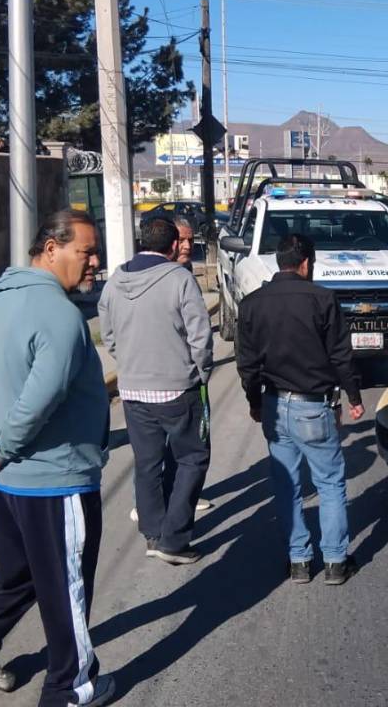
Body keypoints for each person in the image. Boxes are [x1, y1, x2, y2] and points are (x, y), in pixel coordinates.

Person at [0, 209, 115, 707]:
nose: (95, 261)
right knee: (66, 588)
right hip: (52, 481)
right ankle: (71, 688)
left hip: (10, 482)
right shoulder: (59, 314)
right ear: (51, 248)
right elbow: (42, 396)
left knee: (21, 573)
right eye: (87, 251)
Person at [235, 234, 365, 586]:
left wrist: (255, 402)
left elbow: (247, 365)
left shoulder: (252, 304)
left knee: (287, 485)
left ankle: (299, 562)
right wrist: (353, 396)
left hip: (276, 405)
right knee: (329, 483)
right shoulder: (323, 299)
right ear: (306, 263)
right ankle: (336, 561)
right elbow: (341, 356)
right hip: (313, 407)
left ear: (280, 262)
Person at [98, 219, 213, 564]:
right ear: (173, 244)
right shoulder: (180, 279)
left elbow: (108, 334)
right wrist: (201, 371)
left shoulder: (115, 280)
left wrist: (129, 362)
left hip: (133, 389)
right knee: (192, 458)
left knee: (147, 464)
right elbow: (200, 337)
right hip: (178, 387)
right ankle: (174, 540)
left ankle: (152, 534)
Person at [174, 215, 214, 513]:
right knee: (164, 448)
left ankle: (182, 494)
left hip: (189, 374)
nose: (187, 245)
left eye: (190, 239)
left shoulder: (185, 270)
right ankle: (155, 503)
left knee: (192, 441)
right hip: (172, 376)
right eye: (181, 239)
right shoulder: (157, 274)